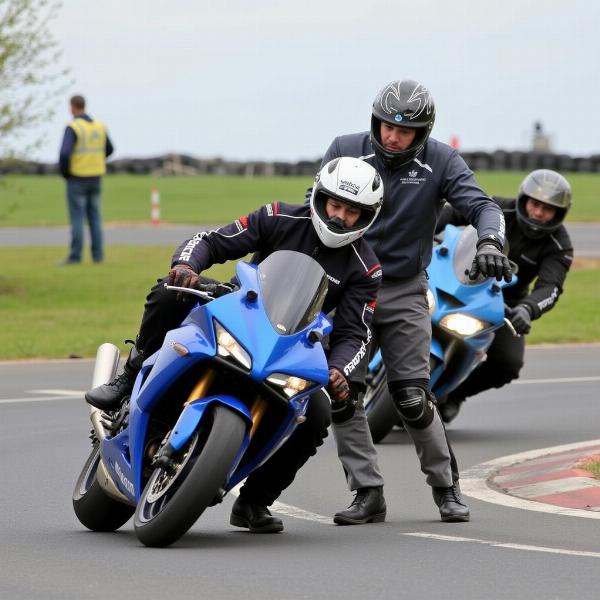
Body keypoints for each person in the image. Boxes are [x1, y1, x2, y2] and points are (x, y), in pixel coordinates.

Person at [85, 156, 384, 533]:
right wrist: (187, 265)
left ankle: (253, 502)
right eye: (334, 205)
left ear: (368, 216)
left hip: (290, 347)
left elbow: (356, 332)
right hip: (238, 313)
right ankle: (129, 378)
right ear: (320, 198)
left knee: (318, 414)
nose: (339, 217)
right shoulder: (278, 216)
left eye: (352, 211)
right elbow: (211, 241)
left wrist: (340, 369)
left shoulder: (366, 268)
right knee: (167, 291)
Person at [316, 79, 512, 524]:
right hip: (347, 287)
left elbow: (483, 206)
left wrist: (490, 242)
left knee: (411, 396)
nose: (392, 137)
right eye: (386, 126)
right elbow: (315, 209)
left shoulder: (440, 160)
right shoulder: (344, 150)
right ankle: (367, 493)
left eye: (404, 131)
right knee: (343, 391)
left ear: (423, 132)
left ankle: (446, 488)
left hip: (403, 287)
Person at [435, 169, 573, 423]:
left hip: (504, 304)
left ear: (559, 214)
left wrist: (528, 309)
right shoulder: (497, 208)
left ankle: (454, 396)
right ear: (524, 199)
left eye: (548, 209)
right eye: (535, 204)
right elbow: (453, 213)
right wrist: (422, 236)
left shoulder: (559, 246)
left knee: (509, 364)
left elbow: (550, 287)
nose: (539, 213)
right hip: (459, 279)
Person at [58, 95, 114, 265]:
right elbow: (110, 149)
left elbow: (64, 153)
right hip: (96, 177)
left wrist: (66, 172)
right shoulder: (99, 126)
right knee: (95, 218)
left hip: (77, 178)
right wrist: (96, 160)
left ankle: (75, 256)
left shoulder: (73, 126)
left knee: (77, 219)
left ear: (72, 107)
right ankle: (98, 256)